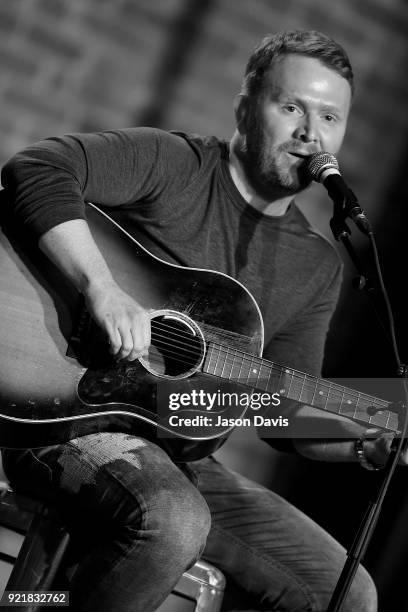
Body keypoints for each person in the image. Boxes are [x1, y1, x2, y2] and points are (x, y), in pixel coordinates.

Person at [1, 29, 397, 612]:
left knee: (347, 592)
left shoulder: (315, 265)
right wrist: (103, 289)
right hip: (65, 422)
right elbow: (34, 169)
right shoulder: (175, 163)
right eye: (291, 108)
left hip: (174, 452)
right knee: (175, 522)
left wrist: (370, 444)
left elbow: (282, 411)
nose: (311, 134)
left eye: (330, 118)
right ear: (245, 106)